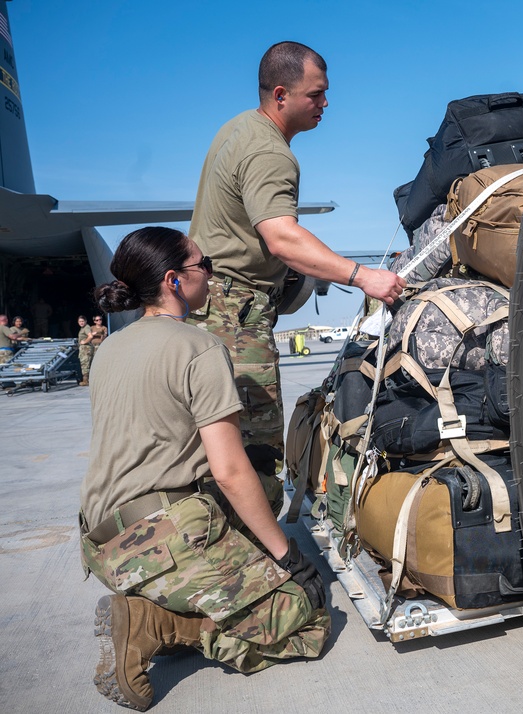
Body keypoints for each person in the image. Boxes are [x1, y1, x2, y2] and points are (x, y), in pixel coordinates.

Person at [79, 226, 330, 711]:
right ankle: (158, 624)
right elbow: (231, 470)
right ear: (174, 280)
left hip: (102, 542)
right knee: (305, 619)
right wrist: (287, 556)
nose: (211, 276)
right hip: (159, 537)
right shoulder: (198, 347)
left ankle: (161, 602)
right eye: (203, 266)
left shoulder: (109, 348)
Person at [188, 41, 406, 517]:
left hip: (212, 308)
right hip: (235, 315)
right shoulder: (271, 152)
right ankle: (259, 559)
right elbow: (282, 238)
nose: (326, 104)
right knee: (256, 445)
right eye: (317, 95)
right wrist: (362, 276)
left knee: (214, 439)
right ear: (281, 94)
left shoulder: (238, 128)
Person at [76, 315, 94, 386]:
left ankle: (85, 380)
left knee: (85, 364)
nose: (81, 323)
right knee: (85, 363)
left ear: (85, 321)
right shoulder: (82, 328)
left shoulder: (86, 328)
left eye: (83, 321)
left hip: (85, 348)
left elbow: (90, 336)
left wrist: (85, 341)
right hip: (83, 348)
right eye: (80, 321)